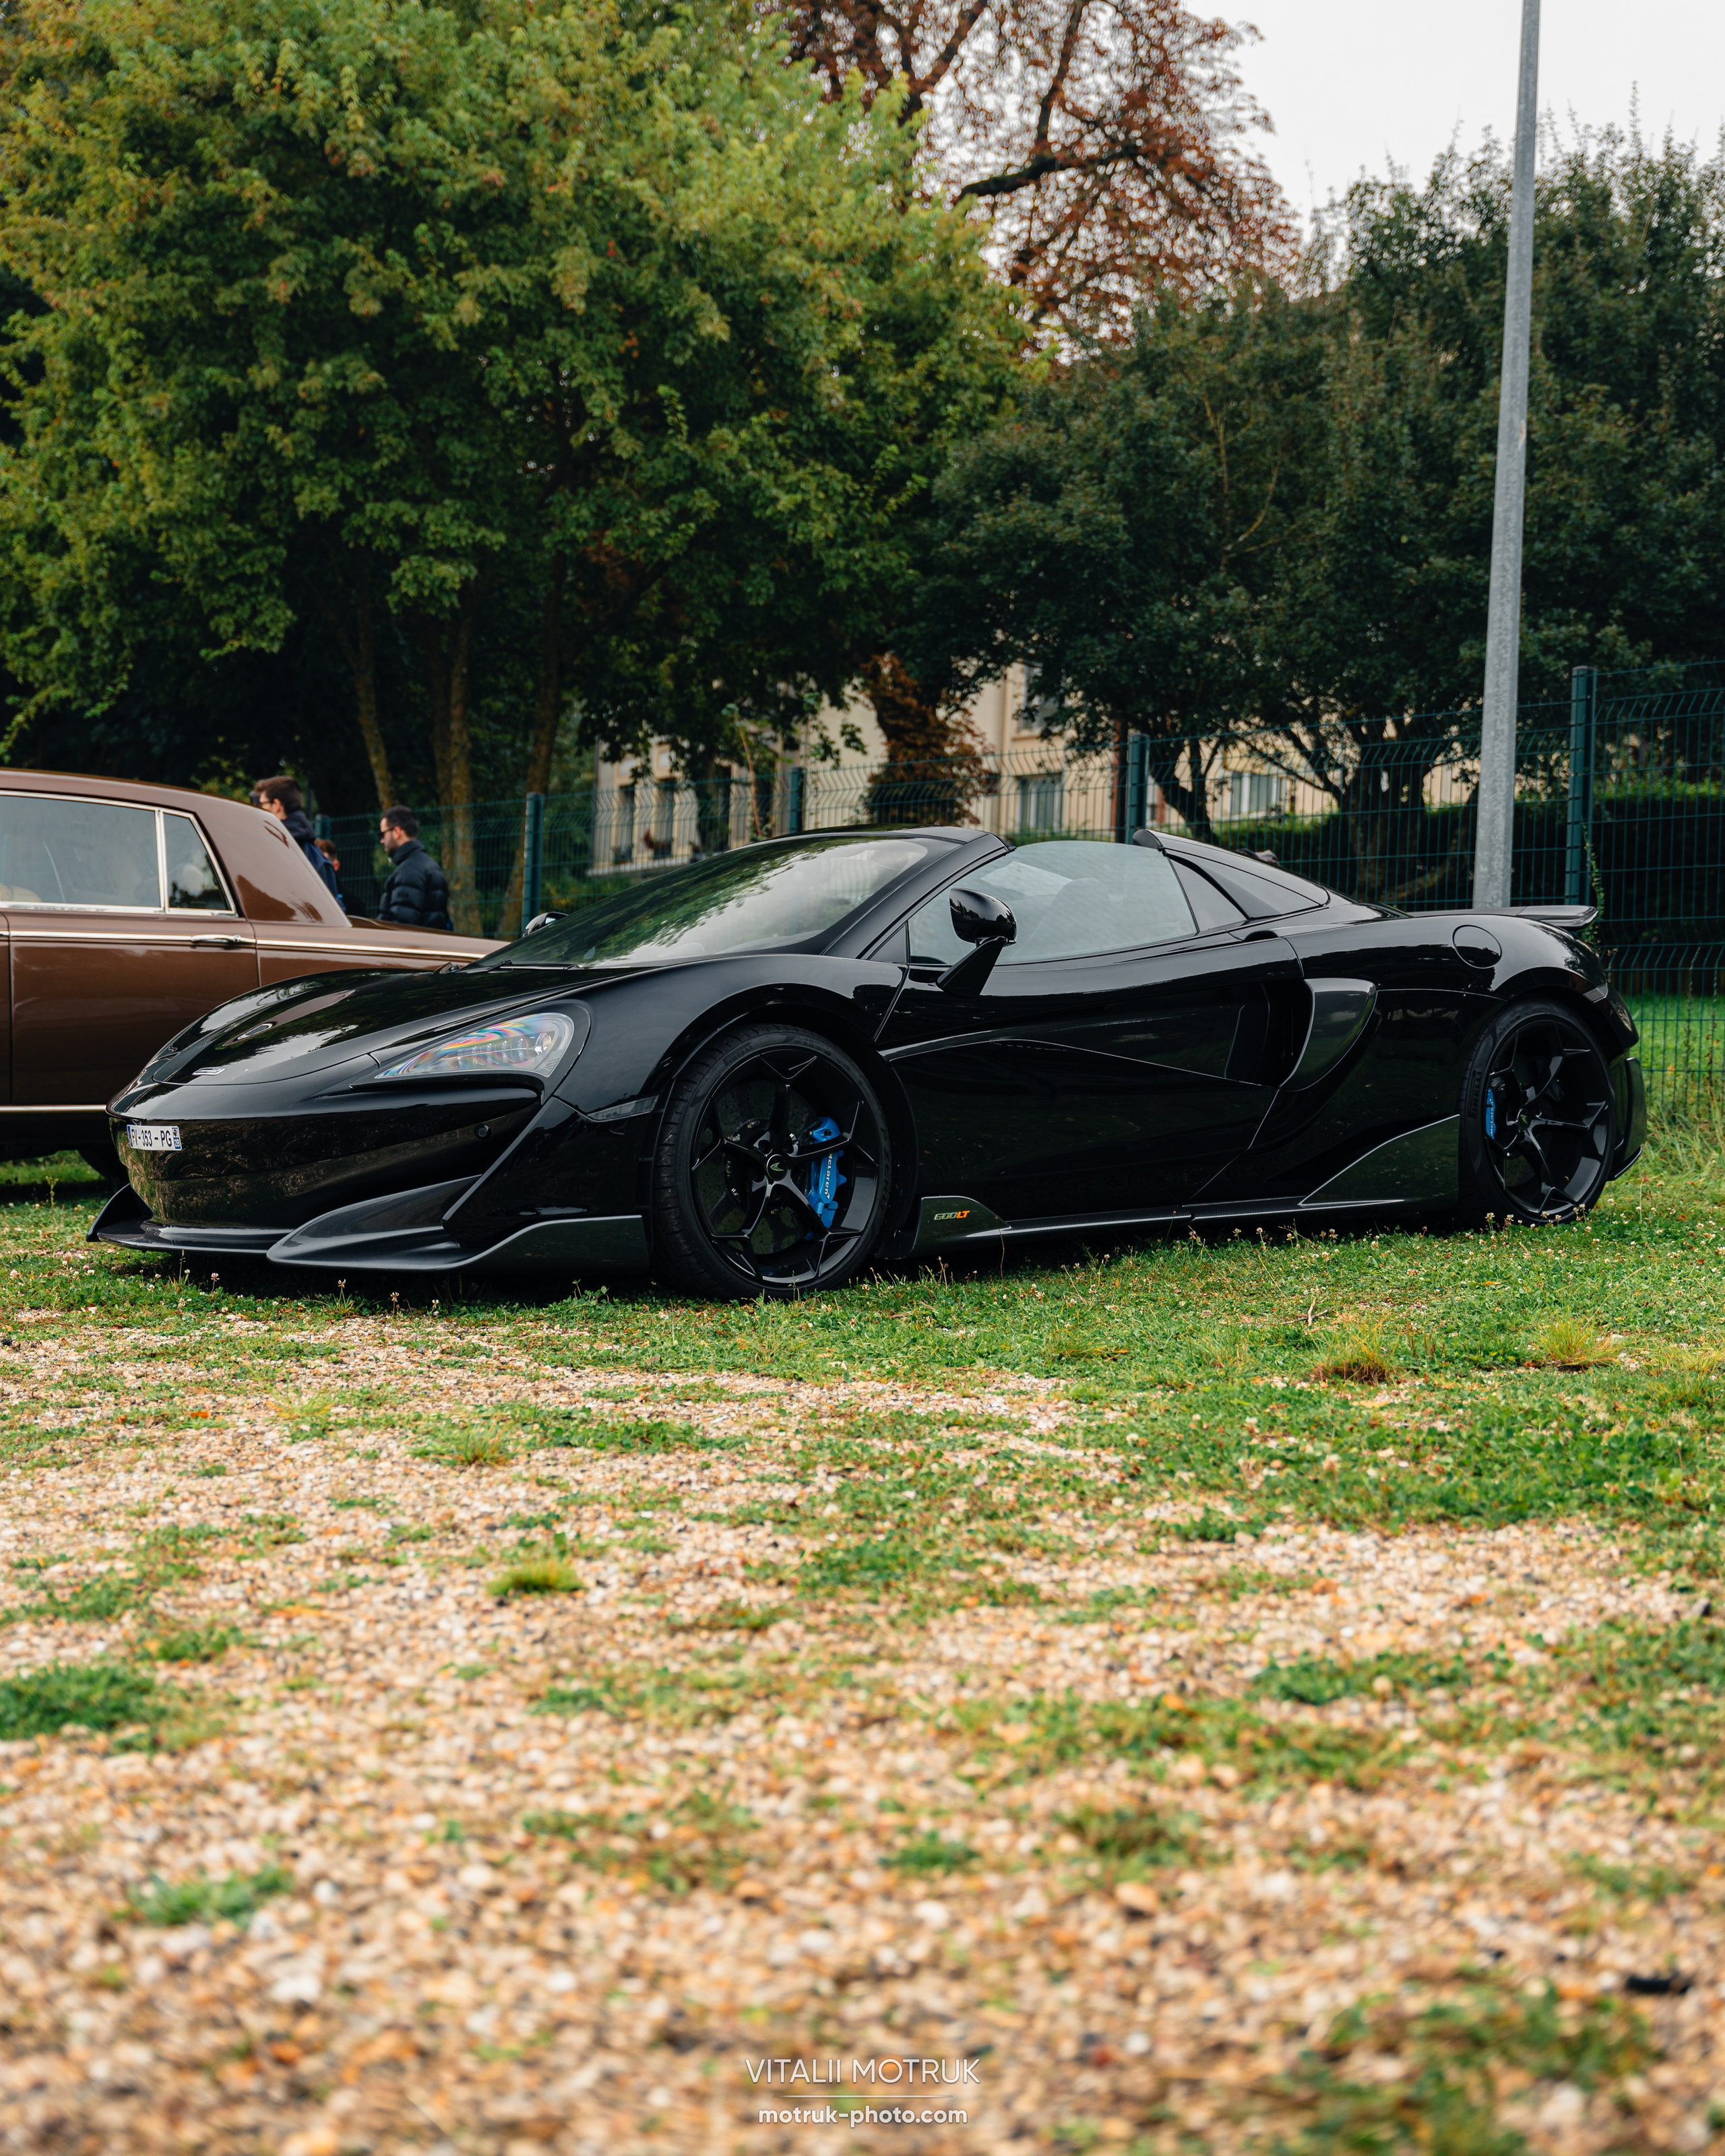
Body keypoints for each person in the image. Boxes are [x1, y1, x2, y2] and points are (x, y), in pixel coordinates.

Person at [251, 775, 344, 907]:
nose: (258, 809)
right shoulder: (318, 857)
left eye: (262, 804)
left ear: (277, 805)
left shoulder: (272, 849)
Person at [377, 806, 451, 930]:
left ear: (397, 832)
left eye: (383, 834)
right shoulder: (429, 865)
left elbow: (400, 927)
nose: (382, 841)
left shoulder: (408, 872)